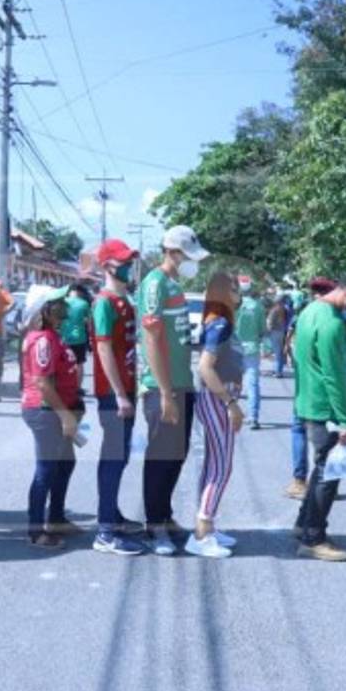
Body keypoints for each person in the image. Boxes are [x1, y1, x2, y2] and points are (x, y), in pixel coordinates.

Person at [292, 270, 346, 561]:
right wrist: (345, 420)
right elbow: (335, 376)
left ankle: (304, 523)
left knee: (320, 470)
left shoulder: (310, 311)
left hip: (308, 401)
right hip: (325, 407)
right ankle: (313, 538)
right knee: (328, 474)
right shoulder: (332, 324)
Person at [138, 224, 209, 555]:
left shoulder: (174, 284)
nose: (192, 262)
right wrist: (165, 393)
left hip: (183, 384)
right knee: (160, 458)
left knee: (177, 456)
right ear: (172, 252)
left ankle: (165, 517)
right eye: (188, 256)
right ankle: (153, 526)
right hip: (161, 388)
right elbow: (151, 342)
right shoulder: (154, 285)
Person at [90, 239, 144, 556]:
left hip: (128, 390)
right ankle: (105, 531)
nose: (128, 266)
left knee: (120, 457)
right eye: (123, 261)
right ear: (108, 265)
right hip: (114, 395)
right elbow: (104, 348)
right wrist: (121, 394)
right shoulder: (104, 303)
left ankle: (111, 513)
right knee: (112, 459)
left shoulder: (125, 300)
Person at [20, 285, 84, 548]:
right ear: (45, 310)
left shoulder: (53, 335)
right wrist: (66, 416)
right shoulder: (43, 339)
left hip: (59, 410)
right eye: (57, 302)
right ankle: (36, 530)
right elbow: (44, 384)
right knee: (46, 470)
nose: (64, 306)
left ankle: (56, 518)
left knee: (65, 464)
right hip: (45, 411)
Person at [187, 272, 245, 558]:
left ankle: (207, 526)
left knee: (214, 465)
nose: (239, 293)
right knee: (221, 468)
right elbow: (205, 368)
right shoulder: (219, 325)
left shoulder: (221, 324)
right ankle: (202, 532)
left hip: (217, 398)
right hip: (217, 399)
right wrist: (230, 402)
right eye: (234, 288)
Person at [283, 277, 335, 500]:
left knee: (299, 429)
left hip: (304, 384)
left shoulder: (304, 313)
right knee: (322, 434)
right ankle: (319, 481)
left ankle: (301, 480)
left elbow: (290, 338)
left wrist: (287, 350)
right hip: (319, 387)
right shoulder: (332, 315)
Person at [234, 276, 266, 430]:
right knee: (252, 384)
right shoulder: (257, 306)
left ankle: (231, 413)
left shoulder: (233, 305)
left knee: (233, 383)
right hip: (252, 349)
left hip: (234, 349)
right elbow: (262, 330)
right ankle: (253, 417)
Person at [61, 284, 92, 391]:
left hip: (64, 337)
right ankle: (77, 388)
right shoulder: (84, 304)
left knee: (64, 363)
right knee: (79, 363)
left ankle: (65, 386)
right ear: (80, 292)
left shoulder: (63, 303)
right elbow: (89, 323)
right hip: (79, 337)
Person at [267, 295, 288, 378]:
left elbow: (270, 323)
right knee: (279, 352)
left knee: (277, 353)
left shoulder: (274, 310)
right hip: (281, 331)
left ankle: (278, 371)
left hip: (274, 332)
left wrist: (267, 331)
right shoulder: (284, 309)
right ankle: (279, 369)